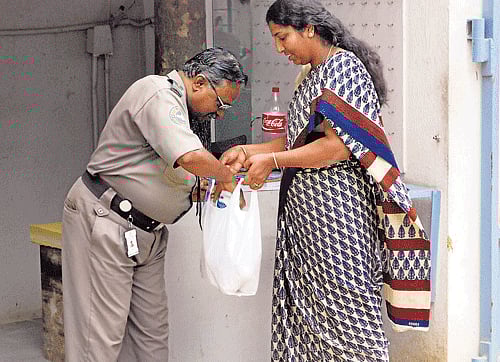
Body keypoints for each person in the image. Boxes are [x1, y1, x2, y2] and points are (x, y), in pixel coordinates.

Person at [221, 1, 431, 360]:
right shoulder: (313, 73)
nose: (279, 48)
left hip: (338, 219)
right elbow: (297, 139)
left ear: (309, 29)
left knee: (351, 322)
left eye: (282, 37)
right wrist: (250, 152)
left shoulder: (342, 69)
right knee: (311, 326)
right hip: (309, 222)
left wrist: (271, 160)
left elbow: (337, 149)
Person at [61, 47, 247, 361]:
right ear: (199, 82)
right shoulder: (157, 92)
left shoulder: (179, 107)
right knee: (99, 340)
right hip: (107, 220)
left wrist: (197, 186)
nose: (219, 113)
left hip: (146, 234)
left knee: (151, 337)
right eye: (221, 102)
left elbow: (159, 165)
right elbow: (188, 157)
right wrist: (223, 176)